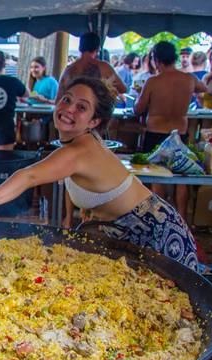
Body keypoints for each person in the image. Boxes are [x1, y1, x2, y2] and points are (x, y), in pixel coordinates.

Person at [0, 76, 212, 360]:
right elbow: (85, 192)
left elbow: (28, 174)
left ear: (95, 121)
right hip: (130, 232)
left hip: (157, 232)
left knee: (182, 326)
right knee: (154, 322)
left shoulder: (82, 147)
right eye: (67, 100)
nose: (69, 109)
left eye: (82, 107)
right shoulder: (74, 146)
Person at [57, 31, 126, 228]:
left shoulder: (70, 69)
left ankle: (69, 217)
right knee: (87, 170)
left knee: (70, 173)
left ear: (79, 47)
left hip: (70, 128)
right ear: (98, 48)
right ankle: (94, 215)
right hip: (91, 127)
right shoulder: (104, 67)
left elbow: (58, 99)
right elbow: (123, 88)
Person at [134, 41, 208, 219]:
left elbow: (138, 109)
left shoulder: (153, 82)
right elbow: (204, 88)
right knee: (181, 178)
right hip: (179, 133)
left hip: (156, 133)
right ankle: (181, 218)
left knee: (156, 176)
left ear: (156, 60)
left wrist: (138, 97)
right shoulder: (189, 79)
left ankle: (160, 218)